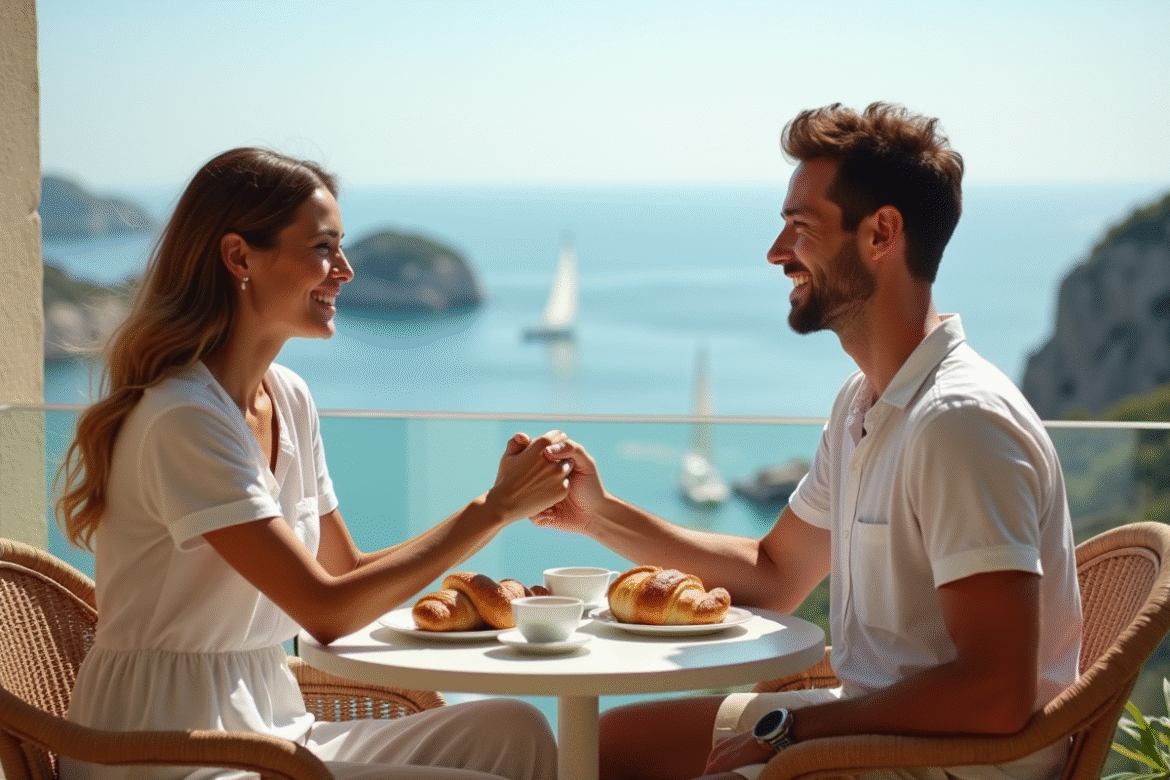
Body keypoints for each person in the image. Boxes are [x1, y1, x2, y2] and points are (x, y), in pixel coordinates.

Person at [532, 103, 1083, 780]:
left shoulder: (957, 422)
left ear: (882, 233)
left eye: (801, 228)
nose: (776, 252)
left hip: (948, 763)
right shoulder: (863, 404)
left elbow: (995, 694)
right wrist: (599, 515)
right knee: (612, 745)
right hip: (875, 723)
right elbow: (773, 575)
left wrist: (791, 730)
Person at [55, 147, 569, 780]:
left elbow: (343, 574)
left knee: (512, 729)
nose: (346, 271)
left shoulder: (289, 397)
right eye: (324, 248)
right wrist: (494, 510)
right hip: (164, 746)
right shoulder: (185, 419)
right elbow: (325, 611)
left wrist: (496, 516)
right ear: (239, 257)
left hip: (272, 721)